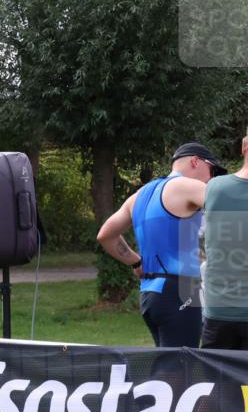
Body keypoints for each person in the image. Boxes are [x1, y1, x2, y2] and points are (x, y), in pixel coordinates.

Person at [97, 142, 227, 347]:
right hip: (180, 291)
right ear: (195, 161)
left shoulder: (139, 195)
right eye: (213, 170)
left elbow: (105, 235)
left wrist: (135, 262)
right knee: (182, 371)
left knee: (167, 368)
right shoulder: (188, 186)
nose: (212, 178)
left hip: (150, 294)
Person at [201, 130, 248, 349]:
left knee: (217, 381)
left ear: (243, 148)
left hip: (219, 309)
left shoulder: (214, 188)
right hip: (223, 310)